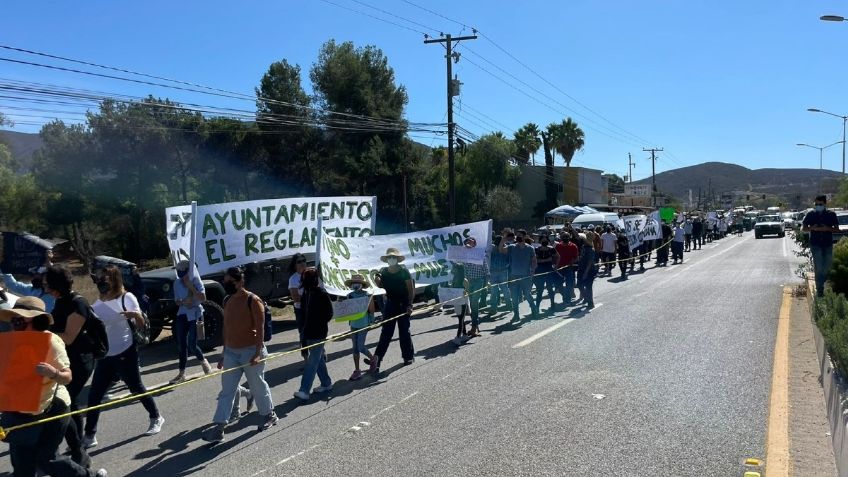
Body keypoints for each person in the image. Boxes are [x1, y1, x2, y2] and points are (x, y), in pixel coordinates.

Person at [0, 297, 108, 477]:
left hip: (52, 408)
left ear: (36, 320)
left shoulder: (51, 341)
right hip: (19, 411)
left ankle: (89, 476)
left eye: (20, 318)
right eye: (14, 317)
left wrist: (52, 373)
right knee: (22, 466)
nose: (15, 321)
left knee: (47, 459)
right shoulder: (9, 342)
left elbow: (67, 377)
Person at [82, 267, 164, 449]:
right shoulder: (99, 301)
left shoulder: (127, 297)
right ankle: (89, 435)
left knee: (136, 387)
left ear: (115, 280)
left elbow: (141, 323)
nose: (103, 282)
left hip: (126, 350)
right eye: (101, 279)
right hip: (106, 354)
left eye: (107, 279)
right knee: (95, 395)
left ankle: (156, 417)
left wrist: (135, 315)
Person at [201, 267, 277, 443]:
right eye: (225, 281)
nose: (226, 285)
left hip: (251, 352)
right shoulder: (227, 300)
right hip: (231, 353)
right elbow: (227, 328)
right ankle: (219, 428)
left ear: (240, 281)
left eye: (230, 282)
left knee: (257, 386)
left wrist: (258, 353)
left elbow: (260, 329)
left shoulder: (253, 300)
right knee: (227, 391)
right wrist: (223, 353)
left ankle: (269, 416)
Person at [45, 265, 96, 468]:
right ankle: (78, 447)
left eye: (48, 284)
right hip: (65, 358)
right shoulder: (60, 301)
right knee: (69, 403)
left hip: (81, 360)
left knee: (63, 403)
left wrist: (43, 335)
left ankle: (77, 450)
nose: (46, 288)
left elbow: (67, 337)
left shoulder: (78, 304)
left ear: (57, 286)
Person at [372, 248, 416, 374]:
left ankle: (408, 357)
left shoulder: (403, 271)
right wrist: (376, 279)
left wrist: (410, 305)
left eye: (394, 258)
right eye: (389, 258)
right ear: (386, 260)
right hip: (390, 304)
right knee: (386, 333)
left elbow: (411, 289)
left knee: (404, 331)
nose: (392, 259)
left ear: (397, 259)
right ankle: (377, 360)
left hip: (403, 304)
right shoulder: (383, 272)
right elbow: (380, 285)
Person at [293, 267, 334, 399]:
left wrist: (318, 322)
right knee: (318, 359)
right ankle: (326, 383)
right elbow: (303, 315)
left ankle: (304, 390)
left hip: (319, 333)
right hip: (308, 332)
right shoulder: (306, 294)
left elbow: (329, 313)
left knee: (312, 360)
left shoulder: (322, 293)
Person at [169, 260, 211, 384]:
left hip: (195, 314)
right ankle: (181, 373)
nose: (181, 276)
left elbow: (203, 298)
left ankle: (203, 362)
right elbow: (176, 301)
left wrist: (191, 287)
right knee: (181, 344)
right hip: (182, 314)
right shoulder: (176, 283)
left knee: (192, 343)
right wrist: (182, 302)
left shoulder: (196, 280)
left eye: (183, 271)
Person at [802, 195, 841, 297]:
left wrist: (827, 228)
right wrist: (813, 228)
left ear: (825, 204)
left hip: (827, 244)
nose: (818, 206)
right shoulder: (810, 214)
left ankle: (825, 285)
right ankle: (820, 290)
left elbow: (837, 229)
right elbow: (804, 228)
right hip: (816, 244)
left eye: (820, 204)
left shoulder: (831, 214)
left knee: (827, 267)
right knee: (819, 267)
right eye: (816, 204)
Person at [498, 229, 539, 322]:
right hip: (513, 276)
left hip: (526, 276)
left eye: (520, 235)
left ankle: (534, 309)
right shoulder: (511, 247)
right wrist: (503, 239)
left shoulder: (530, 248)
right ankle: (516, 315)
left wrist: (532, 271)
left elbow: (534, 261)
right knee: (514, 297)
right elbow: (501, 250)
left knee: (527, 295)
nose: (518, 237)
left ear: (525, 237)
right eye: (517, 235)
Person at [344, 274, 376, 381]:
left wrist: (371, 321)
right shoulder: (349, 295)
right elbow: (346, 309)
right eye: (354, 283)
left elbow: (371, 309)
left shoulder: (367, 295)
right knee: (355, 348)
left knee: (360, 347)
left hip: (363, 324)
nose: (356, 285)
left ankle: (372, 359)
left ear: (362, 285)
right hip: (353, 324)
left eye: (358, 283)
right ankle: (357, 370)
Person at [462, 237, 489, 337]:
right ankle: (476, 326)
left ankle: (474, 327)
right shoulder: (463, 255)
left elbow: (486, 270)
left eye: (471, 241)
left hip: (478, 281)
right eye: (467, 242)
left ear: (474, 244)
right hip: (467, 282)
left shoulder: (480, 254)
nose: (469, 243)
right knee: (470, 305)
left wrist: (486, 284)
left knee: (474, 304)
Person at [288, 253, 308, 359]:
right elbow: (295, 298)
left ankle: (321, 354)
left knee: (316, 332)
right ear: (294, 265)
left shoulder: (311, 274)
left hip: (313, 308)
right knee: (304, 334)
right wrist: (309, 295)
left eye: (303, 260)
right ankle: (306, 359)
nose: (302, 263)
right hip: (301, 310)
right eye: (299, 261)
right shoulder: (293, 279)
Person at [533, 235, 559, 312]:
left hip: (549, 270)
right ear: (540, 242)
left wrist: (556, 266)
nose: (544, 242)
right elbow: (536, 260)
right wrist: (546, 260)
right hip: (540, 271)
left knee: (550, 288)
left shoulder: (551, 249)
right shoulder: (537, 249)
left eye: (546, 240)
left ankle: (552, 304)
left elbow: (558, 256)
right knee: (539, 290)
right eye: (543, 240)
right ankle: (537, 307)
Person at [487, 236, 512, 312]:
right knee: (504, 289)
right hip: (502, 271)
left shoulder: (493, 248)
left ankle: (494, 308)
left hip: (495, 272)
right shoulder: (505, 248)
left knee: (494, 291)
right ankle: (509, 305)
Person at [555, 231, 579, 305]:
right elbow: (555, 256)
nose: (565, 238)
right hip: (559, 268)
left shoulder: (573, 246)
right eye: (564, 237)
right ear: (561, 238)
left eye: (567, 237)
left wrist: (572, 262)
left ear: (569, 237)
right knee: (558, 284)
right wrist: (555, 265)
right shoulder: (558, 246)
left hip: (569, 268)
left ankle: (567, 299)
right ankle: (565, 295)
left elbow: (576, 258)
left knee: (569, 284)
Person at [576, 235, 597, 309]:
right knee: (579, 284)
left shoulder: (591, 249)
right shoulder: (583, 246)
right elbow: (577, 236)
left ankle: (590, 303)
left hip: (589, 270)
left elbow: (590, 262)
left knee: (588, 286)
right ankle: (586, 298)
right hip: (581, 268)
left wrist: (586, 273)